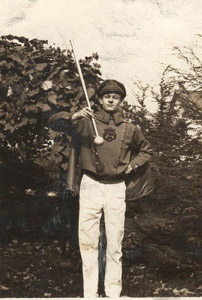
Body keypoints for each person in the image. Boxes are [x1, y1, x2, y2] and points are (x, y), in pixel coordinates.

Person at [48, 79, 153, 298]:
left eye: (116, 97)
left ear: (121, 100)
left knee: (115, 244)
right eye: (107, 96)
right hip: (91, 186)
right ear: (100, 99)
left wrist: (131, 165)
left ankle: (113, 293)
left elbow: (146, 151)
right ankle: (90, 294)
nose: (111, 100)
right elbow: (53, 122)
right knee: (88, 242)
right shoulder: (86, 122)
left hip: (116, 188)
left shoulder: (130, 128)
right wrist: (74, 116)